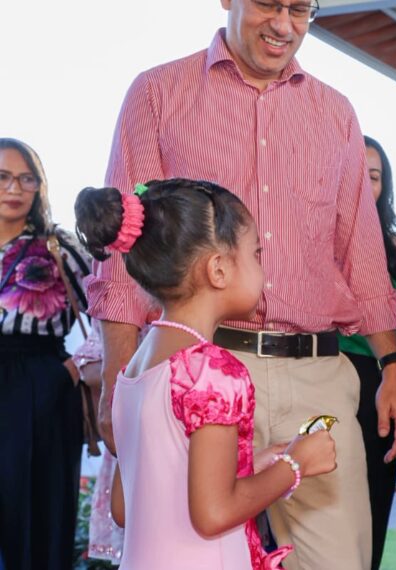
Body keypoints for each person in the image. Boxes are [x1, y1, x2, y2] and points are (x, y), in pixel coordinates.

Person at [86, 2, 396, 568]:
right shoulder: (157, 93)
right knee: (191, 542)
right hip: (192, 375)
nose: (284, 25)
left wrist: (393, 365)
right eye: (268, 3)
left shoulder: (336, 113)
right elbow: (126, 245)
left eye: (301, 8)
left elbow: (360, 251)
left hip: (315, 377)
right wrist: (119, 377)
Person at [74, 179, 338, 569]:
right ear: (218, 269)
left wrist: (251, 464)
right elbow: (213, 514)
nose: (262, 271)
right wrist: (295, 465)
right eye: (256, 254)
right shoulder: (211, 371)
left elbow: (126, 508)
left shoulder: (134, 371)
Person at [0, 138, 91, 570]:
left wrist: (72, 369)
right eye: (3, 177)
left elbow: (116, 308)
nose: (14, 188)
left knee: (37, 514)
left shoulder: (59, 247)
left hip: (39, 387)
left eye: (26, 178)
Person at [337, 135, 396, 570]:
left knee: (373, 519)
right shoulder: (312, 243)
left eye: (375, 176)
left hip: (383, 390)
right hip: (328, 382)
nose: (366, 185)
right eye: (356, 174)